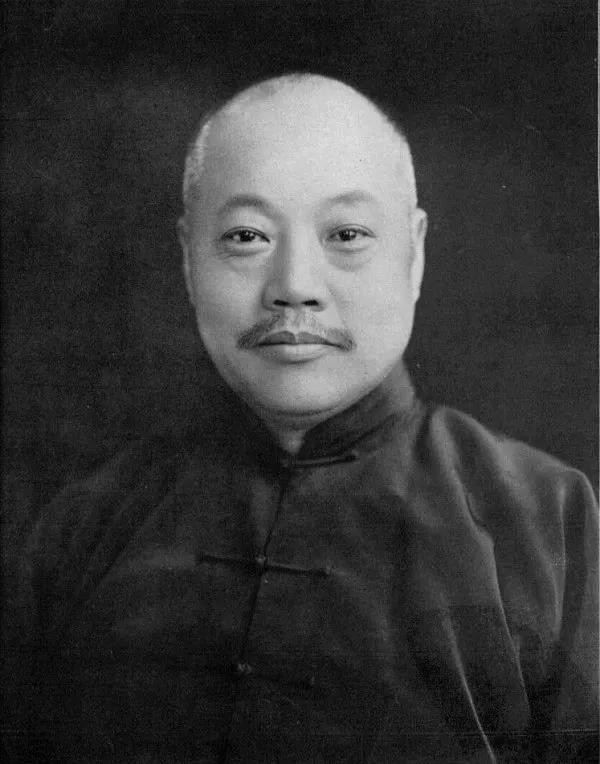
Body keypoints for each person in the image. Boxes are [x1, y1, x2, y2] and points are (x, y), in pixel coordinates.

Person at [3, 73, 598, 763]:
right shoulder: (82, 525)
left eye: (346, 234)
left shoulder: (554, 525)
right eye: (246, 236)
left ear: (414, 253)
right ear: (189, 258)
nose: (294, 287)